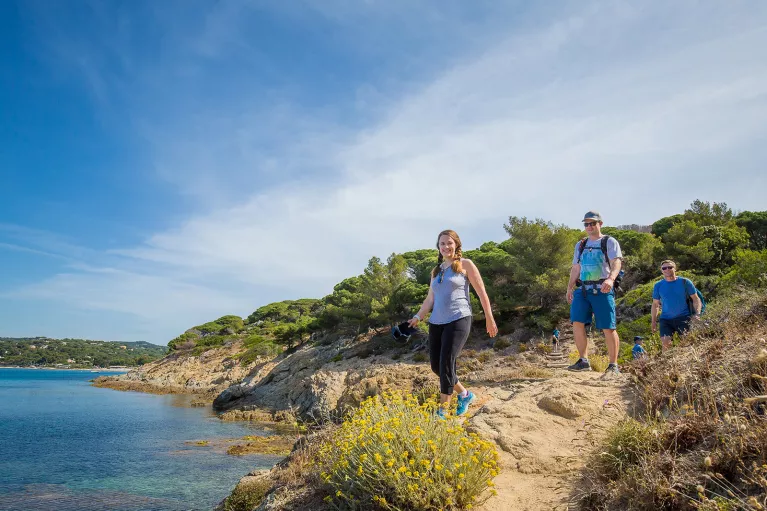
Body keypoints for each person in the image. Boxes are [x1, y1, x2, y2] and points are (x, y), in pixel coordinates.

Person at [409, 229, 498, 418]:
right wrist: (418, 317)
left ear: (456, 244)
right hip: (436, 322)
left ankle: (442, 411)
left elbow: (481, 293)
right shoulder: (436, 271)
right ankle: (464, 394)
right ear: (438, 247)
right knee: (436, 367)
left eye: (449, 243)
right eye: (442, 243)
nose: (446, 247)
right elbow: (430, 299)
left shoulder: (465, 264)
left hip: (459, 317)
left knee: (447, 362)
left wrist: (489, 318)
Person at [566, 211, 623, 374]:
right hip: (583, 290)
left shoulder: (609, 241)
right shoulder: (581, 244)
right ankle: (583, 360)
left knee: (608, 327)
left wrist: (611, 279)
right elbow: (576, 268)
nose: (589, 226)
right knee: (577, 322)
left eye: (592, 223)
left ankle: (613, 365)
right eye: (586, 224)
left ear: (600, 224)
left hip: (603, 289)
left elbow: (616, 262)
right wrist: (570, 288)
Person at [651, 260, 701, 351]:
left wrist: (697, 314)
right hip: (666, 319)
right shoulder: (658, 285)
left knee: (687, 343)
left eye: (670, 267)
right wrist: (653, 321)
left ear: (675, 269)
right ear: (661, 270)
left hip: (684, 318)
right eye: (664, 268)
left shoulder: (685, 282)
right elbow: (655, 305)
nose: (667, 269)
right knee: (666, 344)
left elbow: (696, 299)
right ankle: (666, 364)